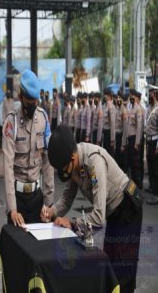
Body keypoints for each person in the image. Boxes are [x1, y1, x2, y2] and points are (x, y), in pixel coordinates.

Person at [42, 125, 142, 293]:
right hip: (114, 212)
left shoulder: (93, 163)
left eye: (63, 167)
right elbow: (67, 198)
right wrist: (51, 212)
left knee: (123, 273)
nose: (62, 172)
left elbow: (98, 217)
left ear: (73, 158)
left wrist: (72, 224)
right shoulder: (73, 162)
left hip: (127, 209)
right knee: (109, 267)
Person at [2, 69, 54, 226]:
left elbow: (48, 162)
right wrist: (12, 209)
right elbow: (8, 167)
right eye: (29, 102)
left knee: (38, 248)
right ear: (21, 97)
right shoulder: (11, 123)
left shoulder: (43, 118)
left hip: (37, 198)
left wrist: (49, 203)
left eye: (35, 102)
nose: (32, 106)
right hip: (18, 199)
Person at [127, 89, 142, 189]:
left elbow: (139, 127)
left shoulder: (138, 109)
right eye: (129, 96)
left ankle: (138, 184)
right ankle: (133, 184)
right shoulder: (131, 108)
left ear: (135, 97)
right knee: (131, 163)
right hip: (129, 139)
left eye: (131, 96)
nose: (130, 98)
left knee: (135, 163)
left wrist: (137, 142)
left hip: (134, 139)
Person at [146, 89, 158, 205]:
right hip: (149, 141)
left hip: (155, 142)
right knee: (150, 168)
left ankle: (156, 195)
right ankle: (153, 190)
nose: (149, 95)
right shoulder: (149, 108)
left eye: (151, 94)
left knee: (155, 170)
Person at [115, 91, 128, 172]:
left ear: (123, 100)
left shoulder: (124, 111)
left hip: (121, 137)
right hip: (117, 136)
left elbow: (125, 129)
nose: (118, 99)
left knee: (122, 160)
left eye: (120, 98)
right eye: (117, 98)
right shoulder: (117, 109)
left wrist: (123, 144)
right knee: (117, 159)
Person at [102, 88, 116, 156]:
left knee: (109, 155)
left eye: (106, 95)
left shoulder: (111, 107)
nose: (105, 96)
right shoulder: (104, 106)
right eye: (104, 95)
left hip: (109, 133)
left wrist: (112, 139)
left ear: (110, 96)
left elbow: (113, 123)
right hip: (105, 132)